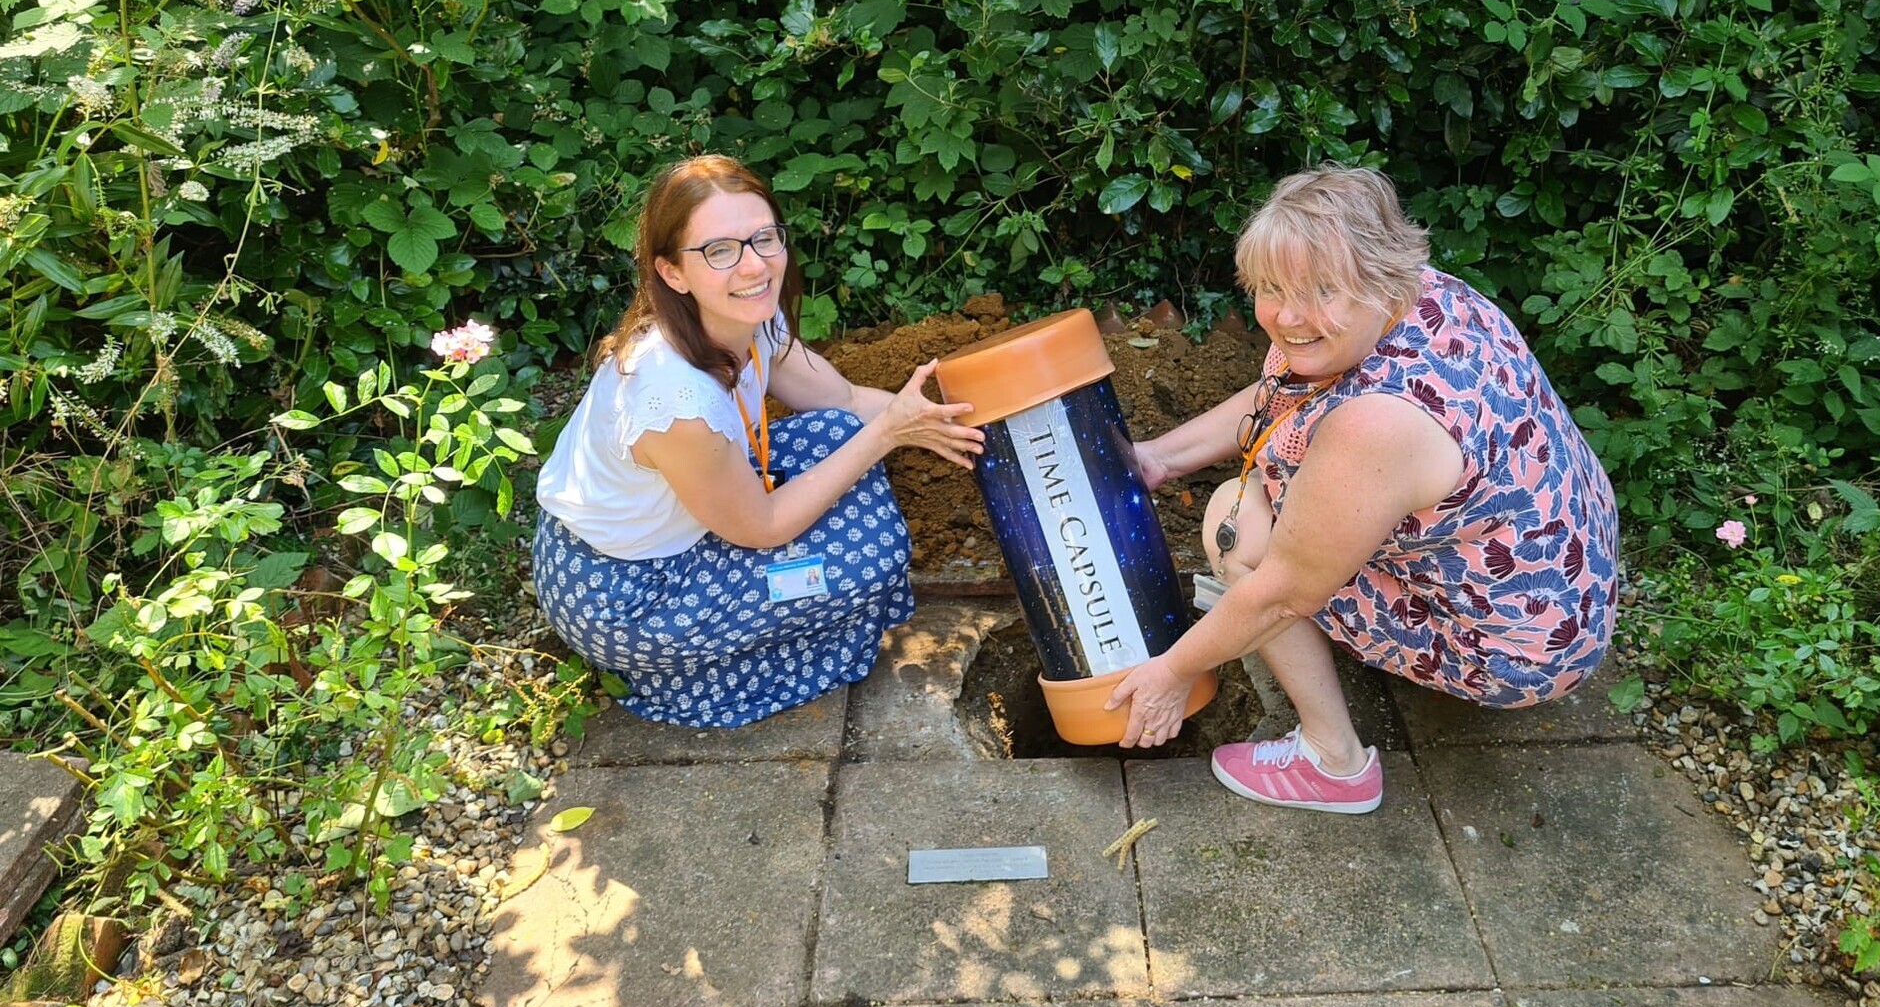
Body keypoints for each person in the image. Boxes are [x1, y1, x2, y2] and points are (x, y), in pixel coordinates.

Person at [1107, 166, 1619, 812]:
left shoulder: (1379, 423)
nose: (1288, 315)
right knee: (1269, 497)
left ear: (1382, 277)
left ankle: (1334, 763)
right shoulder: (1431, 297)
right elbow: (1282, 395)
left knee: (1236, 524)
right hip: (1563, 583)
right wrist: (1158, 459)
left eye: (1323, 290)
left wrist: (1170, 672)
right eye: (1269, 287)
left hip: (1513, 649)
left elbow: (1284, 594)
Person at [533, 155, 984, 726]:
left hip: (678, 525)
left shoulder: (746, 320)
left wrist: (945, 418)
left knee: (837, 432)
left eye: (764, 238)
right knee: (870, 558)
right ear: (672, 272)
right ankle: (688, 674)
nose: (754, 267)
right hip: (626, 594)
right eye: (720, 251)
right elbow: (763, 528)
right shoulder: (674, 402)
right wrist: (890, 434)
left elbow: (841, 400)